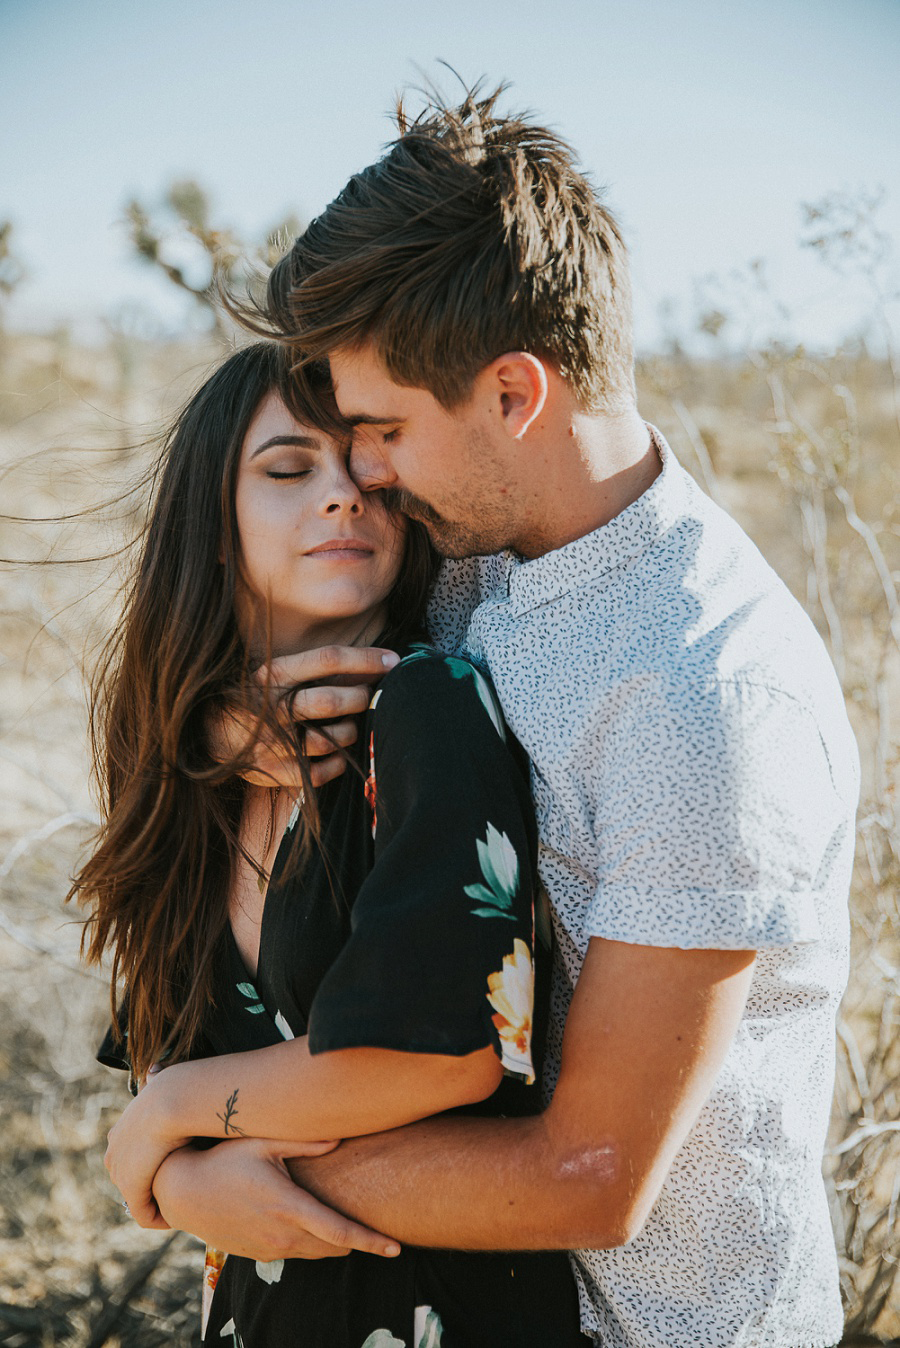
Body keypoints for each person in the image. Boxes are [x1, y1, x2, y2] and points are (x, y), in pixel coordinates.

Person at [157, 88, 861, 1348]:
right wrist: (228, 725)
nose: (362, 473)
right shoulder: (478, 549)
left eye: (381, 429)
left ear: (515, 393)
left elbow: (587, 1176)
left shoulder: (704, 701)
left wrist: (192, 1157)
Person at [75, 341, 587, 1347]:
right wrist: (179, 1172)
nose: (345, 496)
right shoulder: (182, 780)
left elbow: (441, 1052)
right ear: (214, 525)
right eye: (287, 469)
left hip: (443, 1313)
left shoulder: (433, 708)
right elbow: (163, 1077)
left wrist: (164, 1124)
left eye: (368, 472)